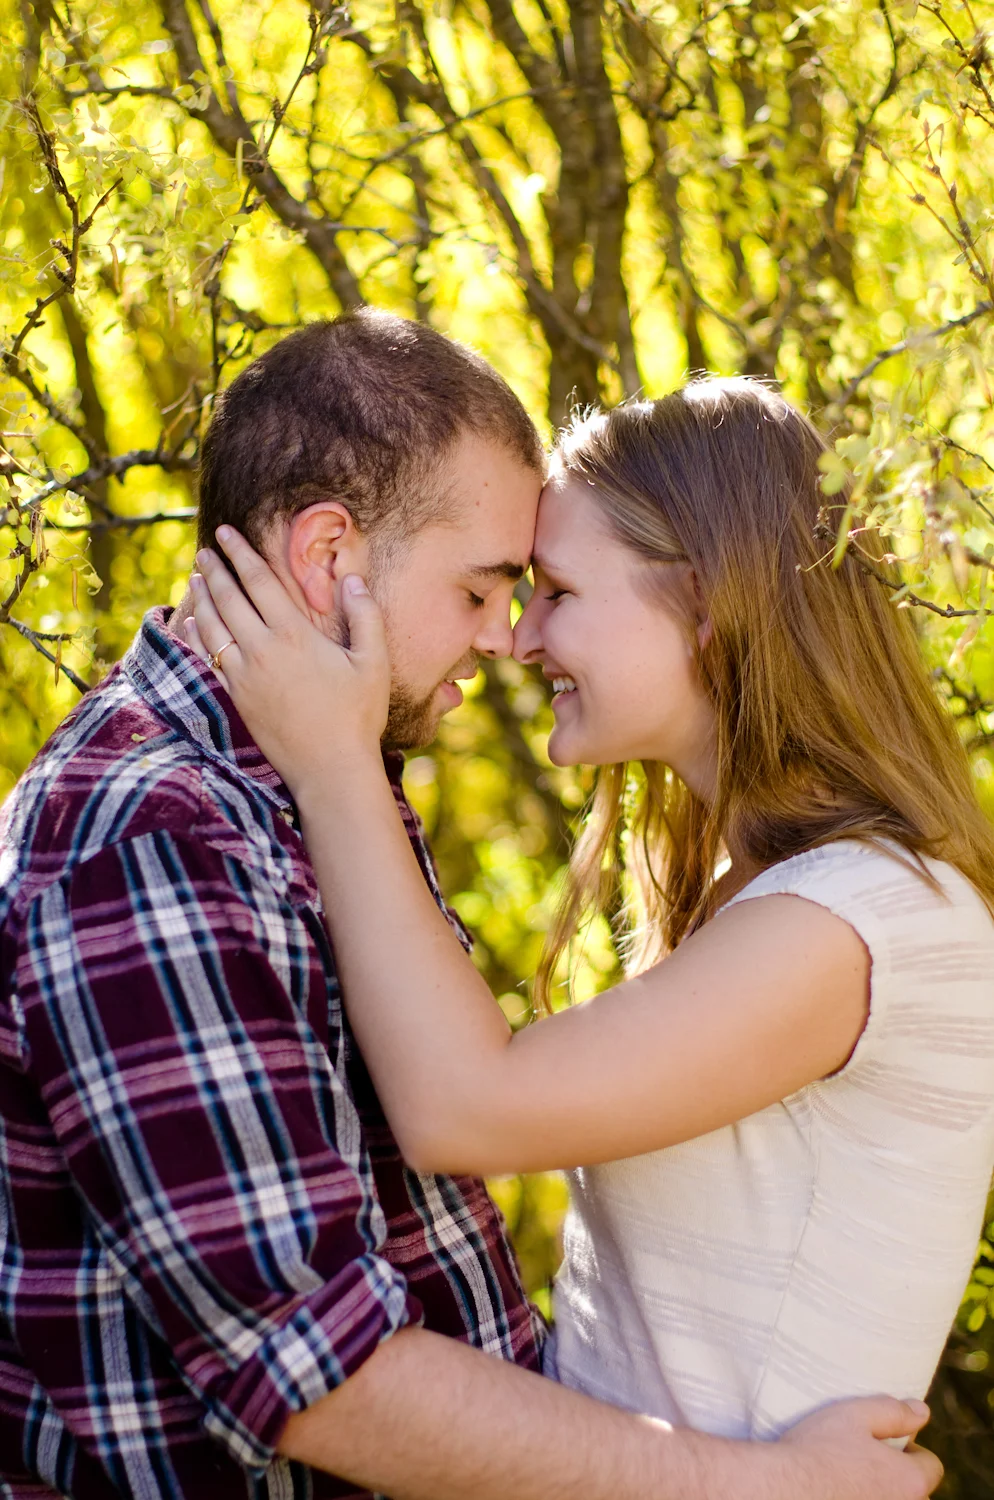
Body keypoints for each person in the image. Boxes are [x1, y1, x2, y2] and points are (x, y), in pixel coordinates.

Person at [0, 320, 939, 1499]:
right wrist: (753, 1484)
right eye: (485, 587)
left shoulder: (309, 779)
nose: (507, 637)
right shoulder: (154, 840)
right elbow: (319, 1374)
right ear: (326, 552)